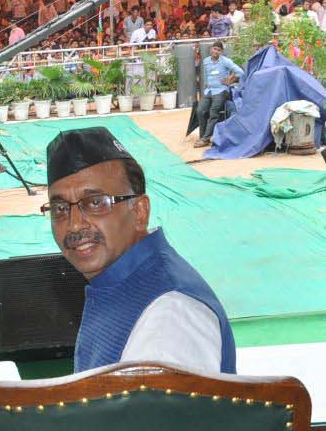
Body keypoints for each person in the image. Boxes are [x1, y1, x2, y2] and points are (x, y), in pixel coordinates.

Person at [43, 127, 235, 374]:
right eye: (60, 209)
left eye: (95, 203)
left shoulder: (170, 314)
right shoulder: (115, 283)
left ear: (139, 212)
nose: (74, 224)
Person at [193, 41, 243, 148]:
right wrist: (207, 86)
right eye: (214, 49)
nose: (216, 51)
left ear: (222, 52)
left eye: (218, 50)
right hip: (209, 91)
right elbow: (206, 76)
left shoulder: (225, 61)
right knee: (200, 110)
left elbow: (240, 72)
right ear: (211, 49)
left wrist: (230, 79)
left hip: (221, 90)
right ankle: (203, 136)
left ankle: (206, 138)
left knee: (213, 112)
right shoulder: (206, 61)